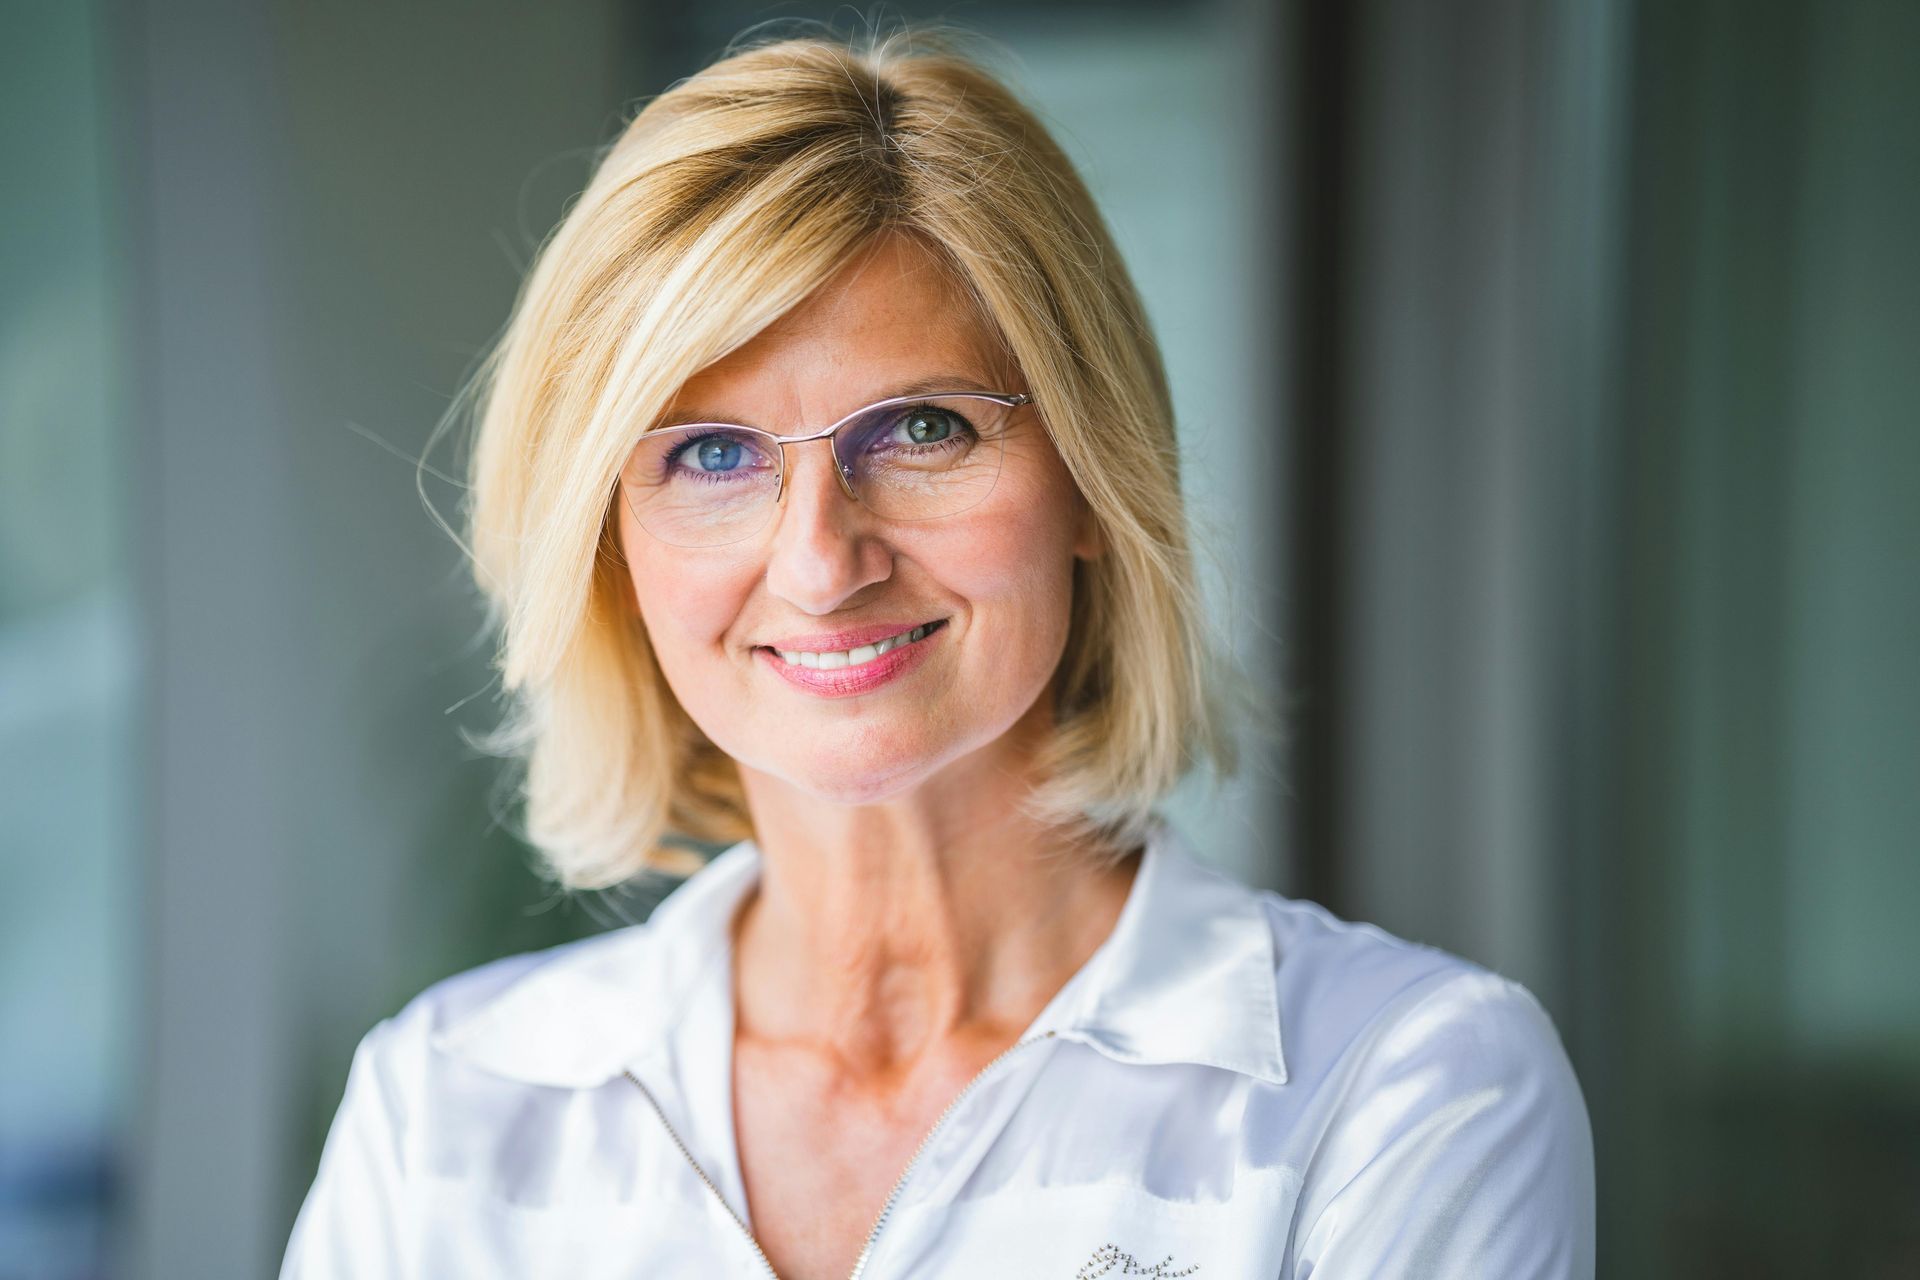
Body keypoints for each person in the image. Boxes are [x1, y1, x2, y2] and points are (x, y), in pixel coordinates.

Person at [280, 30, 1594, 1280]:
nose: (820, 564)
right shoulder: (445, 1108)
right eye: (712, 454)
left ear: (1090, 477)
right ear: (610, 549)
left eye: (921, 428)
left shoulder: (1398, 1089)